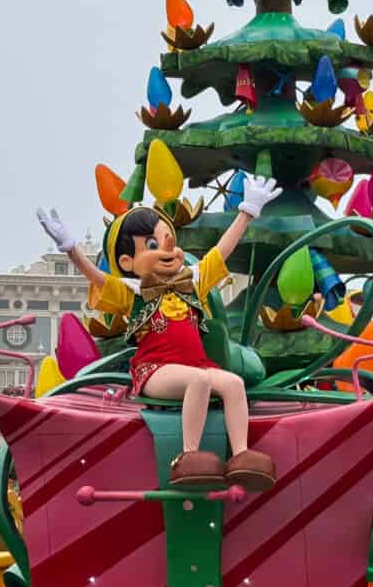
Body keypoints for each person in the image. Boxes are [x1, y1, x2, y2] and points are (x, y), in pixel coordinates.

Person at [37, 173, 283, 489]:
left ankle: (242, 456)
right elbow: (98, 278)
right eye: (152, 244)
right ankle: (189, 457)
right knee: (200, 380)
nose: (167, 247)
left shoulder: (191, 282)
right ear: (127, 260)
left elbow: (220, 252)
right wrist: (71, 249)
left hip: (199, 366)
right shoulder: (134, 292)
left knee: (233, 383)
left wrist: (247, 212)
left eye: (168, 238)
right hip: (156, 370)